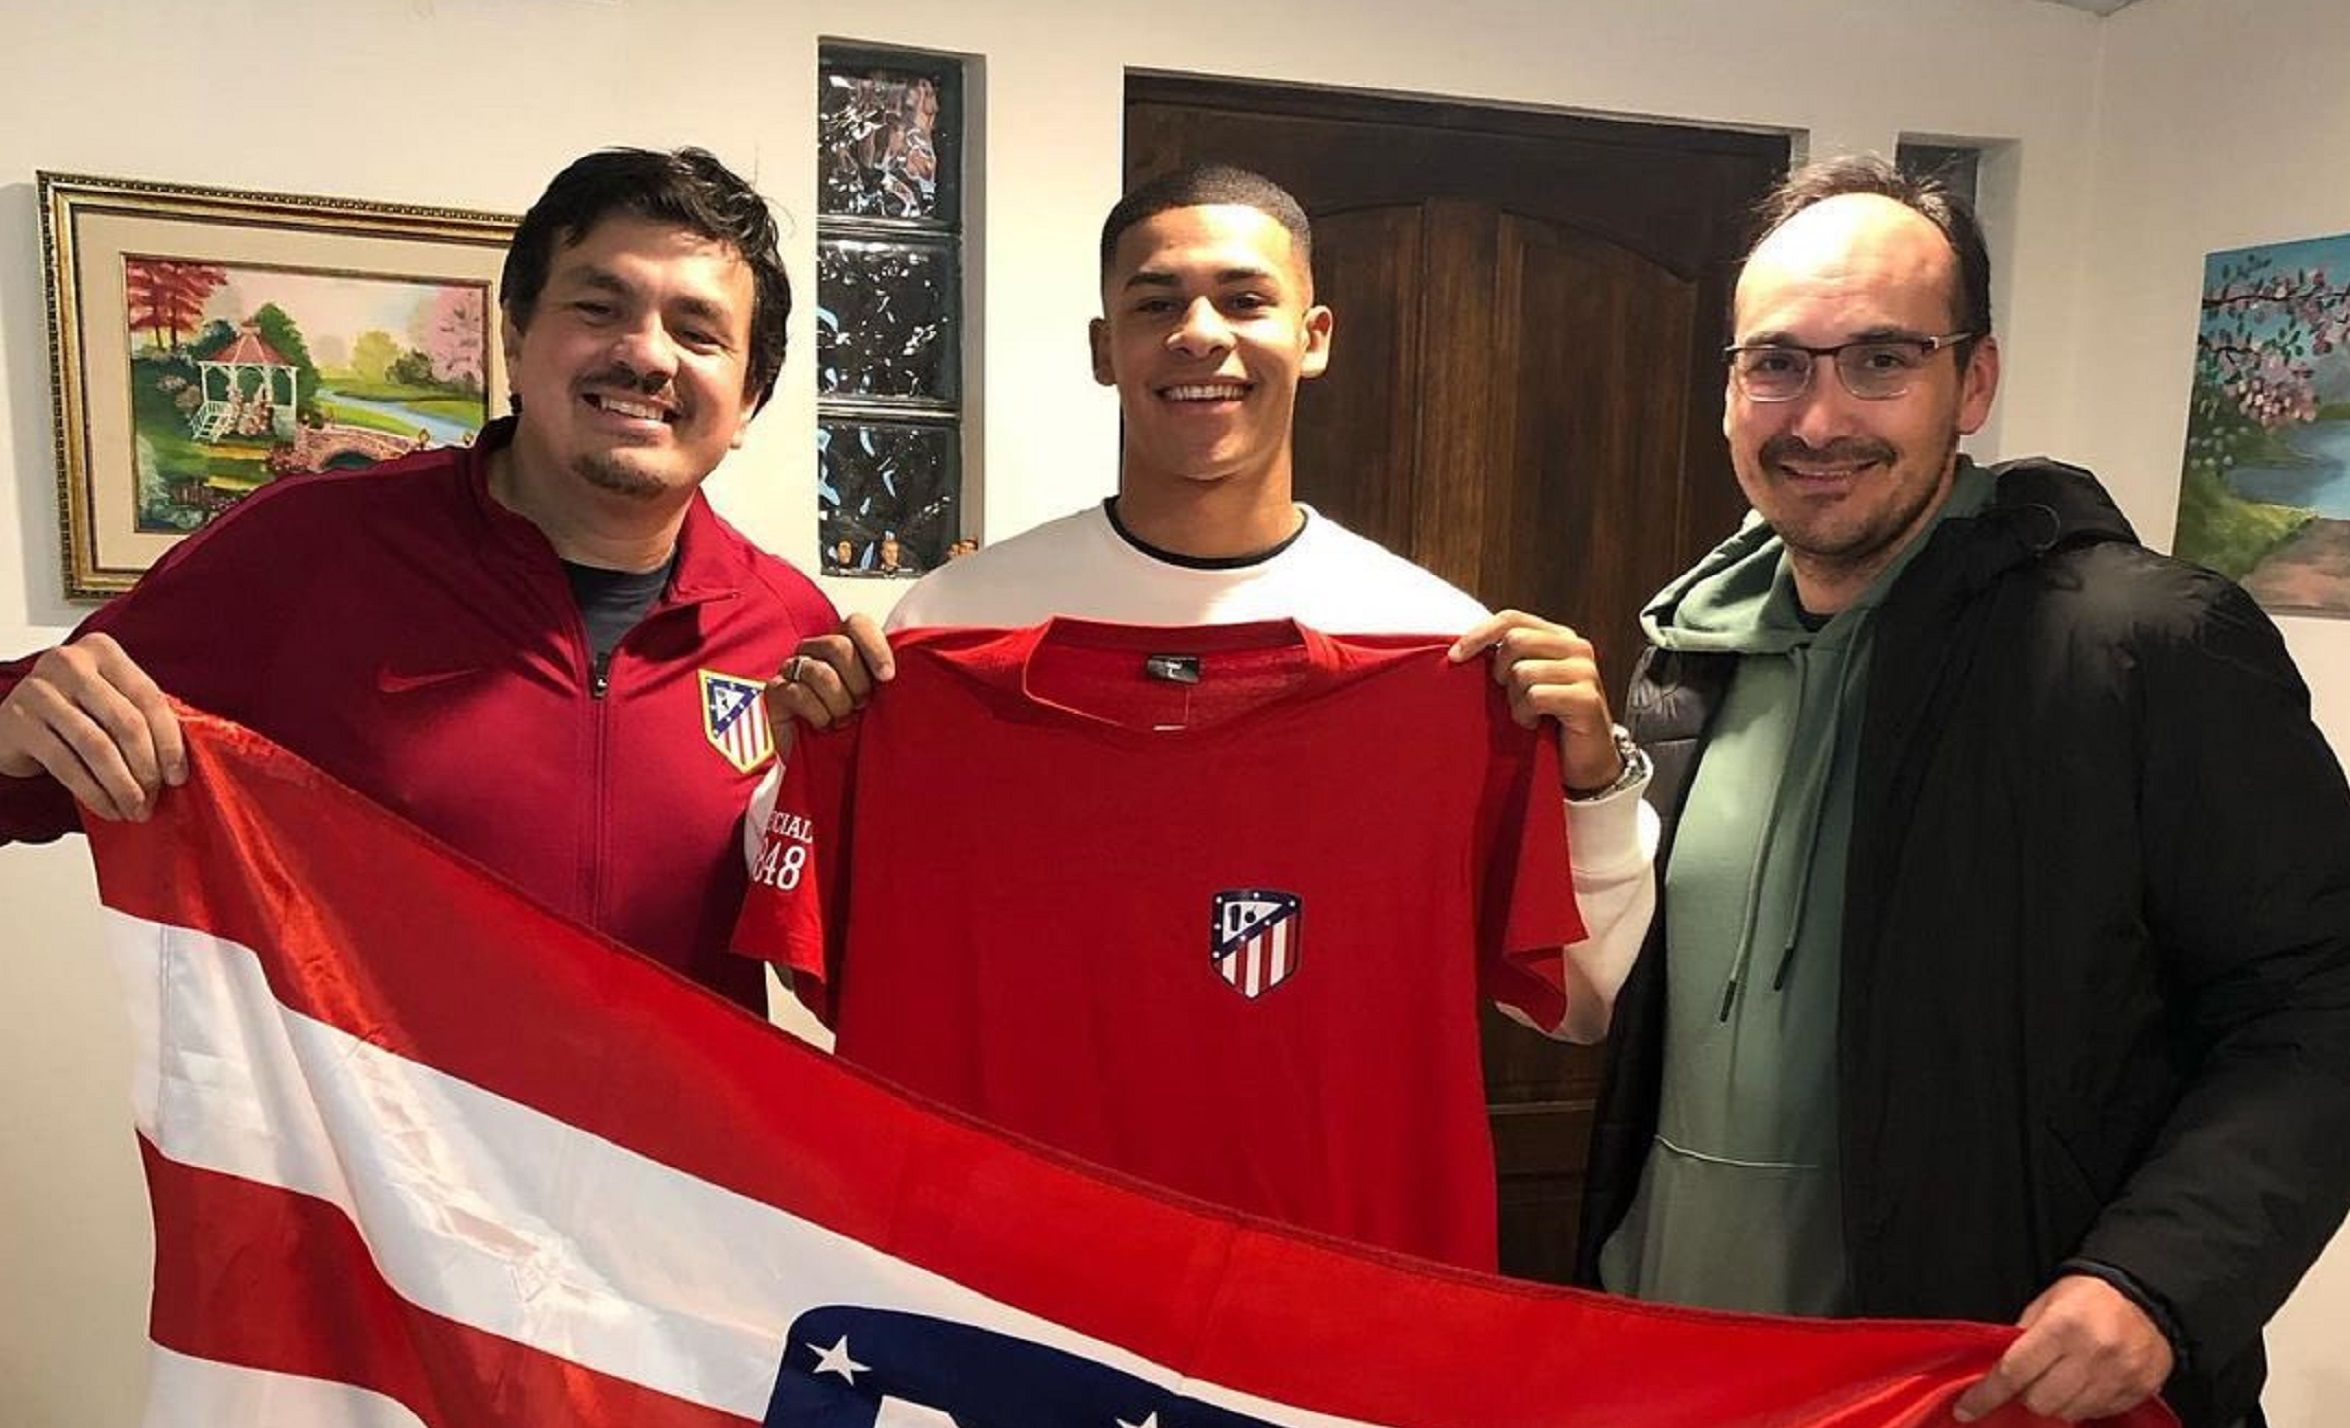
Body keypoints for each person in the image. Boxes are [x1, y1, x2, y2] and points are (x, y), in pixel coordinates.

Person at [742, 166, 1656, 1266]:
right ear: (1102, 347)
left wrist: (1592, 782)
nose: (1198, 334)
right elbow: (820, 935)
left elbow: (1582, 998)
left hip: (1308, 1294)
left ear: (1311, 335)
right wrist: (808, 747)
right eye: (1155, 303)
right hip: (1009, 1286)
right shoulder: (947, 629)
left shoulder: (1438, 648)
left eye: (1243, 298)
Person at [1578, 153, 2350, 1428]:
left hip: (1980, 1383)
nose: (1818, 420)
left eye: (1881, 360)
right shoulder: (1687, 652)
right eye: (1776, 363)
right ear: (1728, 387)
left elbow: (2320, 999)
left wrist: (2158, 1280)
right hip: (1680, 1360)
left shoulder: (2143, 646)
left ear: (1972, 382)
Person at [0, 146, 835, 1012]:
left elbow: (840, 961)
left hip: (667, 1149)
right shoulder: (307, 552)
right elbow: (30, 765)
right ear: (516, 336)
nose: (645, 355)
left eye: (697, 333)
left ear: (747, 401)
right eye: (599, 306)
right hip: (373, 1143)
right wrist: (18, 730)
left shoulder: (793, 633)